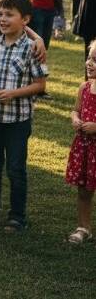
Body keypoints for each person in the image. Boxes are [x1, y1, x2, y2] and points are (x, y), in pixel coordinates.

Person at [0, 0, 47, 231]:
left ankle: (17, 216)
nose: (3, 19)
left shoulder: (31, 48)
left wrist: (13, 94)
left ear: (25, 20)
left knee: (16, 168)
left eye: (9, 15)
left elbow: (40, 85)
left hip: (17, 119)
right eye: (0, 14)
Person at [65, 42, 96, 243]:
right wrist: (75, 119)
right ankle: (83, 227)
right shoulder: (84, 87)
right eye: (89, 57)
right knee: (84, 190)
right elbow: (76, 109)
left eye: (95, 60)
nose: (89, 63)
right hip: (85, 147)